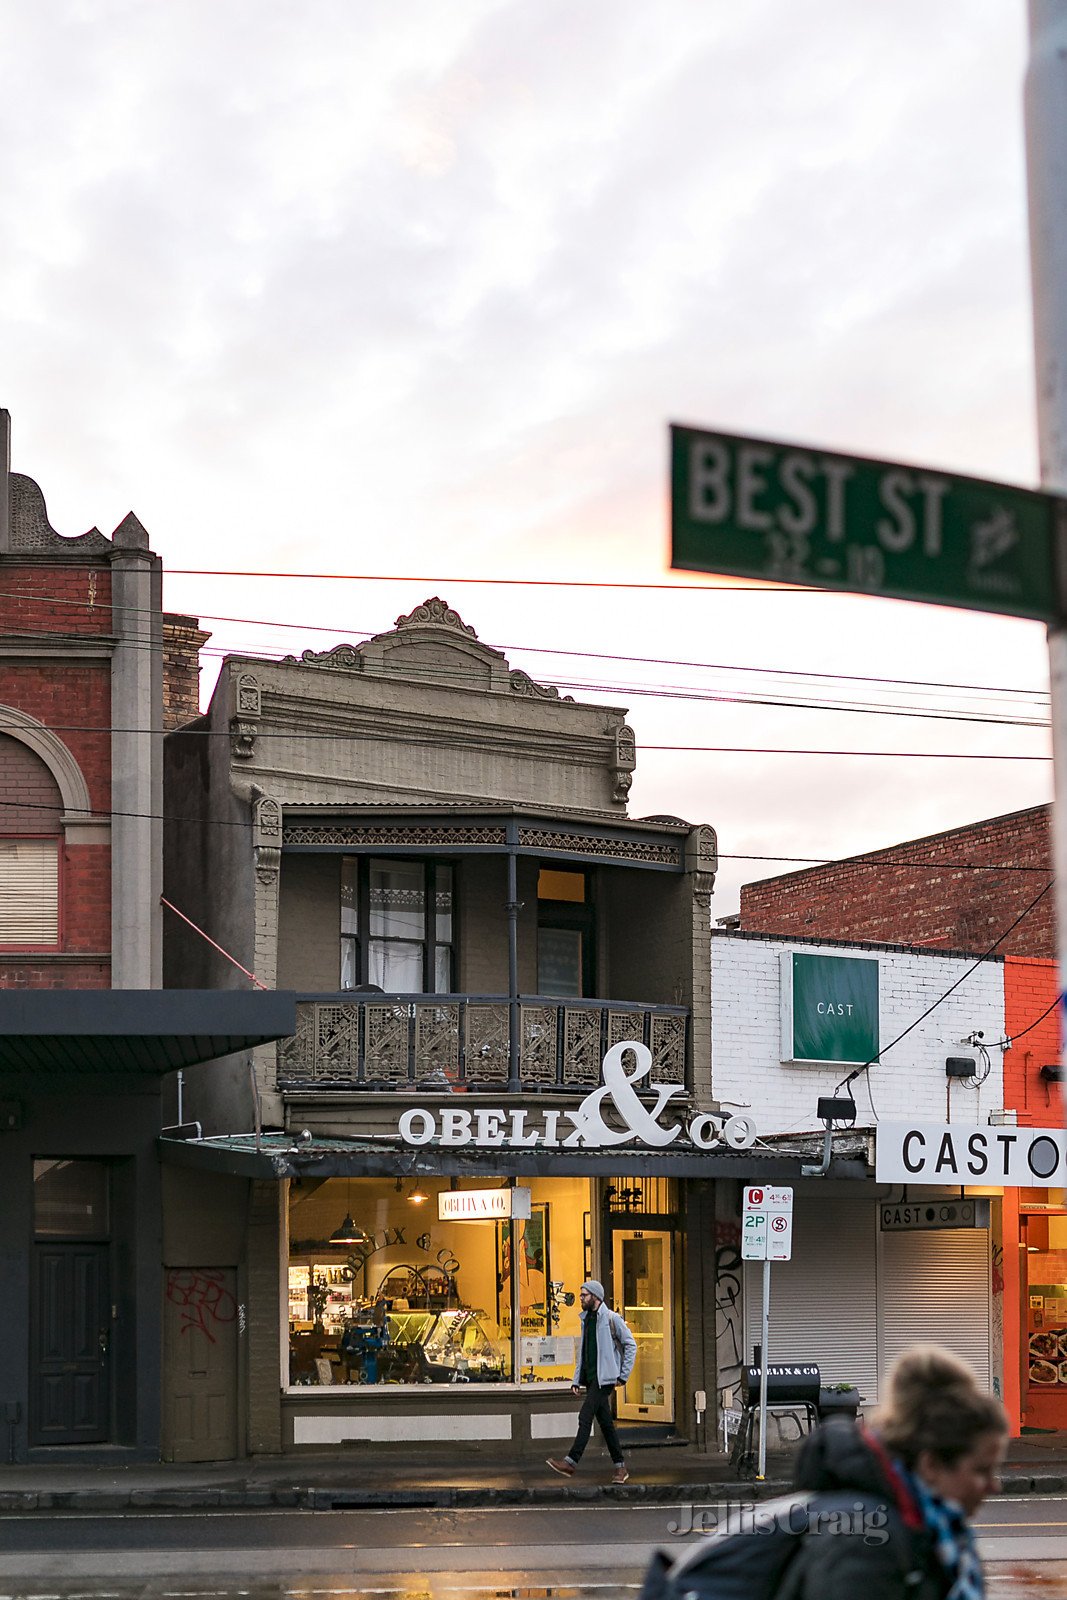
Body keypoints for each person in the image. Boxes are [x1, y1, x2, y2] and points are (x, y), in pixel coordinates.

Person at [778, 1344, 1007, 1599]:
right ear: (931, 1465)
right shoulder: (866, 1541)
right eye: (981, 1470)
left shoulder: (938, 1529)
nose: (994, 1485)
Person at [546, 1279, 637, 1485]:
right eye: (581, 1295)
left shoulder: (612, 1319)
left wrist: (622, 1375)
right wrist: (577, 1379)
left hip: (604, 1380)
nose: (581, 1298)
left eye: (584, 1295)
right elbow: (584, 1353)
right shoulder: (586, 1319)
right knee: (606, 1424)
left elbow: (631, 1345)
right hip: (590, 1379)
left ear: (595, 1297)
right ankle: (621, 1468)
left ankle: (571, 1462)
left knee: (585, 1416)